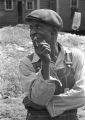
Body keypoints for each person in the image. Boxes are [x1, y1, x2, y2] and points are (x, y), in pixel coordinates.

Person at [19, 9, 85, 120]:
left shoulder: (75, 57)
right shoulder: (27, 63)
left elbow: (82, 95)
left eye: (38, 27)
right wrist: (45, 63)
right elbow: (39, 99)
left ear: (53, 32)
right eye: (31, 28)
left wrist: (49, 104)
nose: (32, 32)